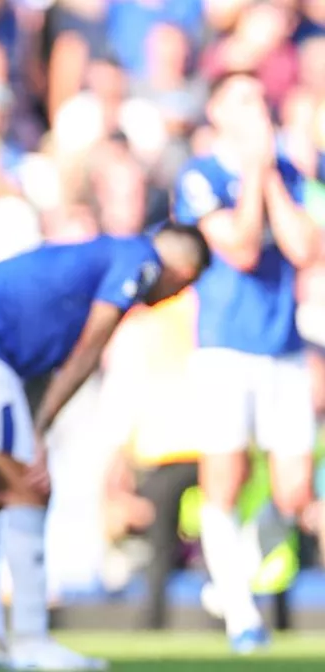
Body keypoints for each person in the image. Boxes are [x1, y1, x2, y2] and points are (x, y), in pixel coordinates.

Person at [0, 224, 210, 670]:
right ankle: (31, 642)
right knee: (31, 488)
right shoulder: (139, 259)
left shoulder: (102, 253)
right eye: (181, 288)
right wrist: (40, 426)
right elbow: (92, 344)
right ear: (183, 271)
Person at [173, 70, 320, 653]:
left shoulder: (289, 170)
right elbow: (237, 245)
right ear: (216, 112)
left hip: (282, 345)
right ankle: (241, 614)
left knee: (294, 492)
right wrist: (255, 173)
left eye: (260, 97)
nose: (257, 107)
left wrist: (268, 172)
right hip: (225, 348)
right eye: (242, 98)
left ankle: (232, 577)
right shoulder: (200, 176)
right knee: (225, 480)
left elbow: (306, 248)